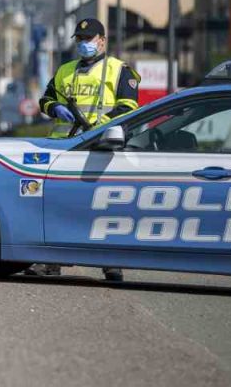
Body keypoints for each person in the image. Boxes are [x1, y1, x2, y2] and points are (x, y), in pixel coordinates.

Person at [30, 18, 141, 282]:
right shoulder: (65, 70)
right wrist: (54, 108)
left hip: (103, 145)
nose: (83, 44)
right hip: (65, 147)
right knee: (57, 205)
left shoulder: (120, 70)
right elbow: (45, 99)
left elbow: (129, 107)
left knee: (105, 206)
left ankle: (111, 263)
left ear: (102, 40)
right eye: (79, 39)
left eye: (88, 39)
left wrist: (98, 127)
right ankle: (52, 261)